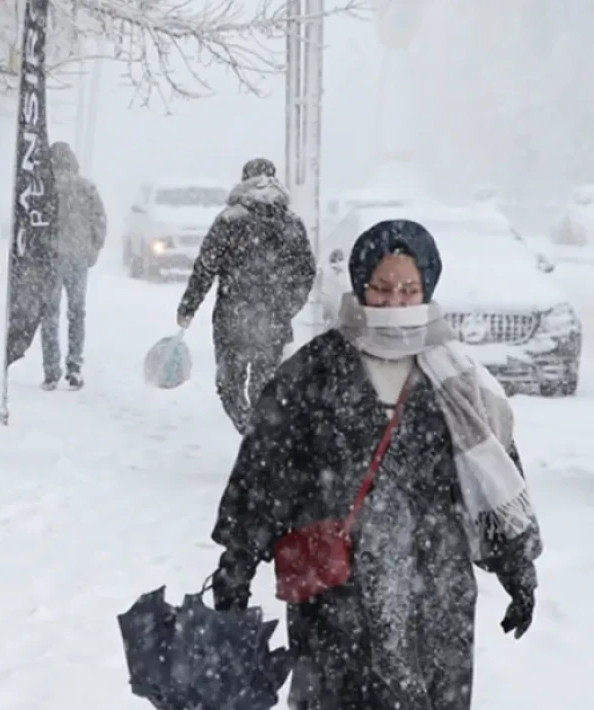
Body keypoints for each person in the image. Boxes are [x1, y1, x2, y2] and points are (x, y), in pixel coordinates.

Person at [209, 219, 542, 710]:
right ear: (361, 287)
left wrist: (518, 569)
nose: (394, 302)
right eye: (381, 289)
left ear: (427, 289)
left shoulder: (458, 377)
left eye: (409, 290)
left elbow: (494, 477)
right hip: (337, 593)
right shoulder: (314, 371)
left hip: (434, 588)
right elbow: (264, 473)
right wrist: (235, 565)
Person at [175, 157, 315, 433]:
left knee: (229, 386)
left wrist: (188, 307)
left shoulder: (229, 220)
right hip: (273, 319)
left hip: (232, 318)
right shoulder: (291, 222)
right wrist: (288, 306)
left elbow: (206, 267)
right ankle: (261, 437)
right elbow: (306, 272)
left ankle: (249, 431)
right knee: (265, 385)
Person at [40, 141, 106, 390]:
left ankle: (51, 370)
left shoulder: (45, 189)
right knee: (76, 313)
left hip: (51, 257)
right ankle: (75, 365)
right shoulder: (86, 188)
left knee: (50, 314)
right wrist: (94, 248)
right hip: (78, 256)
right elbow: (100, 219)